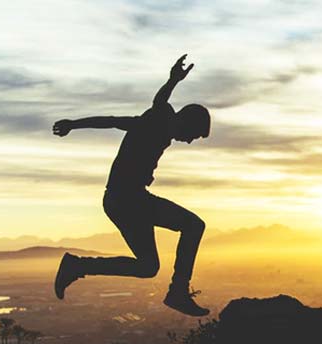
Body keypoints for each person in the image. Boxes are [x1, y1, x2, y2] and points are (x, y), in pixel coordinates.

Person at [51, 54, 211, 316]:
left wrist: (172, 81)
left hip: (127, 200)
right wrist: (73, 125)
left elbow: (140, 110)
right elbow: (121, 118)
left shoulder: (162, 125)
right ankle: (178, 292)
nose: (191, 141)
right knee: (194, 225)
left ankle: (77, 266)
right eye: (193, 135)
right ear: (186, 122)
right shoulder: (158, 121)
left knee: (148, 267)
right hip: (127, 200)